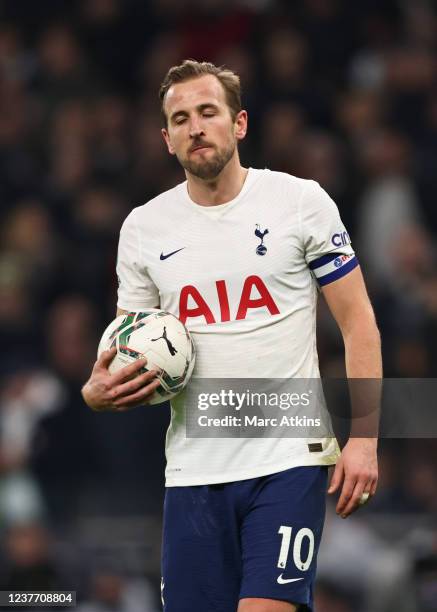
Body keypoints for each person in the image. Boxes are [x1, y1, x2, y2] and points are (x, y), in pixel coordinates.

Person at [82, 60, 381, 612]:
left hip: (289, 458)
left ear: (238, 124)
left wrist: (364, 437)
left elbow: (358, 319)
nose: (195, 126)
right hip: (194, 469)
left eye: (207, 112)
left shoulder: (300, 203)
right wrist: (98, 392)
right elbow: (131, 351)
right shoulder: (144, 229)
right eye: (180, 118)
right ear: (166, 138)